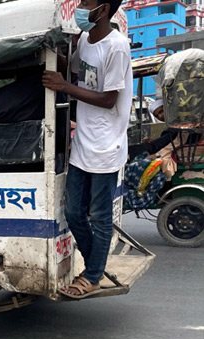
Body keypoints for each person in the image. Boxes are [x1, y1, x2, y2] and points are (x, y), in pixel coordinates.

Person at [42, 0, 133, 298]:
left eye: (87, 3)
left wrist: (64, 87)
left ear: (103, 9)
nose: (80, 7)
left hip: (107, 145)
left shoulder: (117, 46)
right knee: (73, 212)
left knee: (99, 214)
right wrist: (56, 52)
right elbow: (77, 71)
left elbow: (108, 99)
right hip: (83, 141)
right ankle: (97, 264)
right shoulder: (85, 40)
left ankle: (93, 275)